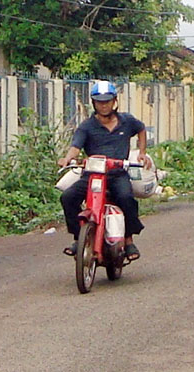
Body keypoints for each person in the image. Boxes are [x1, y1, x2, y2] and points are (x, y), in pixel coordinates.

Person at [57, 80, 150, 261]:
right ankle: (79, 238)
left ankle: (129, 240)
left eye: (107, 100)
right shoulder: (86, 126)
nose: (104, 104)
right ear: (94, 103)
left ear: (114, 101)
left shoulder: (127, 121)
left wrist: (142, 153)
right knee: (68, 197)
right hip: (93, 176)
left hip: (117, 174)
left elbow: (141, 129)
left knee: (126, 198)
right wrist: (67, 158)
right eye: (99, 101)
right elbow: (75, 147)